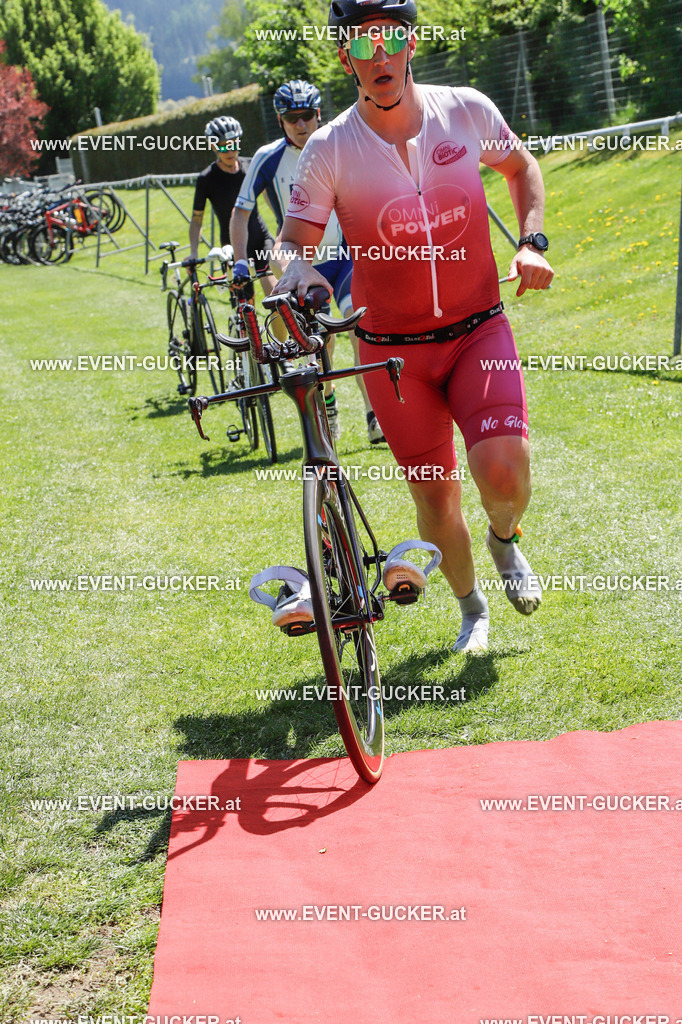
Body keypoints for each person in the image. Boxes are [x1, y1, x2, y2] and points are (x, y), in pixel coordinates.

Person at [273, 0, 554, 653]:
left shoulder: (465, 109)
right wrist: (302, 275)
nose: (378, 58)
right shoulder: (330, 147)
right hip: (392, 357)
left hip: (478, 328)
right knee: (435, 502)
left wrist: (533, 240)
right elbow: (290, 245)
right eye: (361, 46)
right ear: (345, 58)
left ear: (410, 44)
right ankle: (472, 608)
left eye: (389, 40)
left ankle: (504, 538)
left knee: (505, 473)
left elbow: (522, 168)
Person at [229, 80, 384, 444]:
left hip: (345, 256)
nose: (301, 125)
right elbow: (240, 213)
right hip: (302, 262)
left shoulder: (337, 142)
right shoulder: (268, 158)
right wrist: (239, 261)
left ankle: (373, 414)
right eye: (291, 118)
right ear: (280, 121)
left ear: (319, 114)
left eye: (308, 116)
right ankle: (327, 400)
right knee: (322, 341)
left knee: (357, 328)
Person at [189, 116, 277, 301]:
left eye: (233, 144)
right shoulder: (206, 178)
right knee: (246, 308)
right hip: (231, 247)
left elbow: (270, 198)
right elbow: (197, 219)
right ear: (213, 147)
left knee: (275, 294)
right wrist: (193, 253)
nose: (230, 150)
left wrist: (284, 223)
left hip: (260, 239)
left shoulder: (251, 165)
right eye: (223, 146)